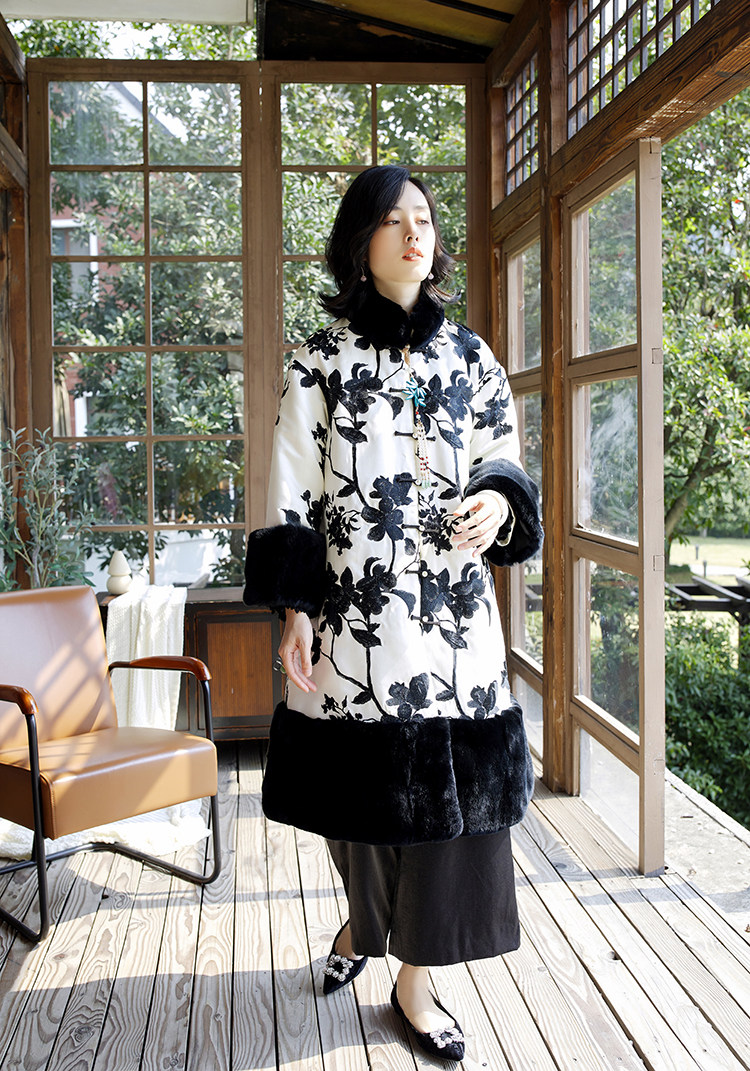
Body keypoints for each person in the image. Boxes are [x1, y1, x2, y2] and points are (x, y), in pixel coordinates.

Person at [244, 164, 542, 1063]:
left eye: (425, 219)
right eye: (393, 219)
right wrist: (295, 610)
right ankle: (362, 925)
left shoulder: (472, 357)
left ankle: (416, 979)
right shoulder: (319, 361)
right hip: (355, 623)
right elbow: (290, 486)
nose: (416, 233)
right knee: (356, 806)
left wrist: (496, 500)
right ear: (360, 240)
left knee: (458, 814)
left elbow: (502, 456)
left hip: (455, 626)